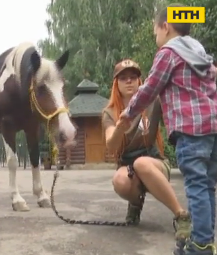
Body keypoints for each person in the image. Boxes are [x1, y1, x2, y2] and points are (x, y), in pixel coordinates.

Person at [119, 3, 217, 255]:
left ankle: (201, 247)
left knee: (196, 185)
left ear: (166, 27)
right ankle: (204, 240)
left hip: (190, 131)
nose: (156, 38)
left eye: (155, 32)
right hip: (212, 130)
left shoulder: (168, 53)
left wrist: (128, 113)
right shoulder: (201, 54)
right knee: (206, 186)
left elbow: (150, 88)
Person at [102, 58, 191, 240]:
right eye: (123, 77)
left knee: (141, 163)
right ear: (116, 83)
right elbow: (111, 146)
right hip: (128, 170)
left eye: (133, 77)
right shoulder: (109, 113)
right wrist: (120, 127)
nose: (129, 81)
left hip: (155, 163)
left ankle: (181, 215)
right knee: (119, 180)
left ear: (139, 81)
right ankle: (135, 202)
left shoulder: (153, 101)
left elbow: (176, 103)